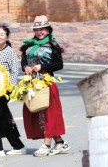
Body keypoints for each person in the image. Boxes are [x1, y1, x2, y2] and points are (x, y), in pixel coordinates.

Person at [19, 15, 70, 157]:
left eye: (42, 29)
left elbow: (59, 64)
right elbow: (23, 61)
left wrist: (42, 66)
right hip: (32, 83)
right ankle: (60, 143)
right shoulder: (29, 45)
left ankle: (46, 145)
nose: (40, 32)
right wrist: (25, 67)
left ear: (48, 30)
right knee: (37, 114)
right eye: (37, 29)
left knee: (49, 114)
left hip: (46, 83)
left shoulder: (53, 45)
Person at [0, 24, 25, 157]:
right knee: (3, 118)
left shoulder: (9, 52)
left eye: (2, 34)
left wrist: (10, 89)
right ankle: (17, 145)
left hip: (3, 90)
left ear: (7, 37)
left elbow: (14, 71)